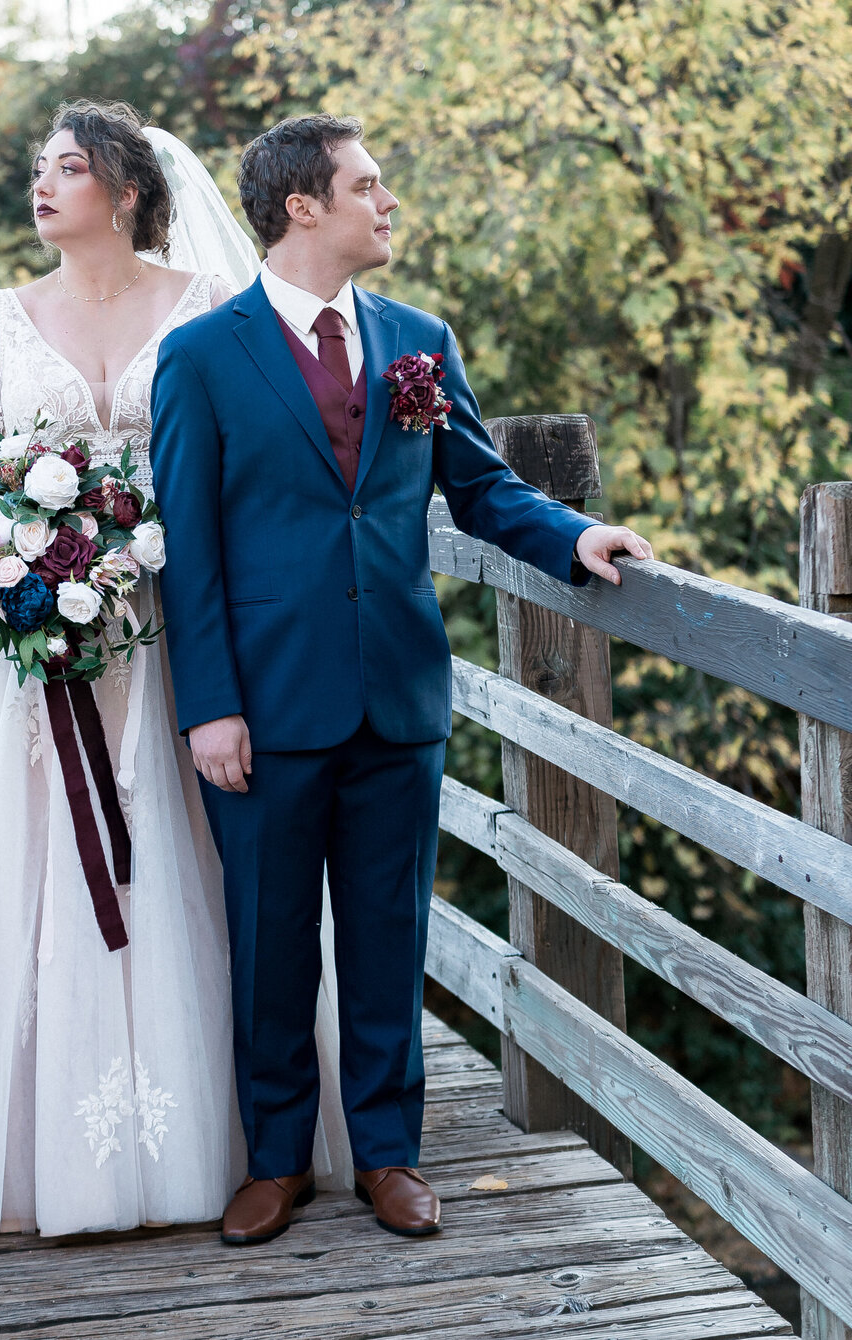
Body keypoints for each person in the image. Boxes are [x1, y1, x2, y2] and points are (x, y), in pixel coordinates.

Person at [0, 100, 348, 1249]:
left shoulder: (207, 309)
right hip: (42, 651)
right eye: (40, 166)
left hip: (180, 638)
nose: (44, 184)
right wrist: (5, 568)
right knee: (26, 870)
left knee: (197, 864)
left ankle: (238, 1142)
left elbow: (255, 464)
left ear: (126, 189)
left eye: (69, 166)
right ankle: (21, 1152)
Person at [150, 113, 653, 1246]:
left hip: (401, 694)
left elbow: (480, 489)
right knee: (271, 937)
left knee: (388, 933)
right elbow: (189, 547)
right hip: (267, 704)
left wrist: (571, 536)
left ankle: (388, 1153)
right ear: (302, 208)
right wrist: (210, 705)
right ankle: (273, 1160)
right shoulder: (201, 356)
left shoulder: (420, 340)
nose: (390, 203)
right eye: (369, 185)